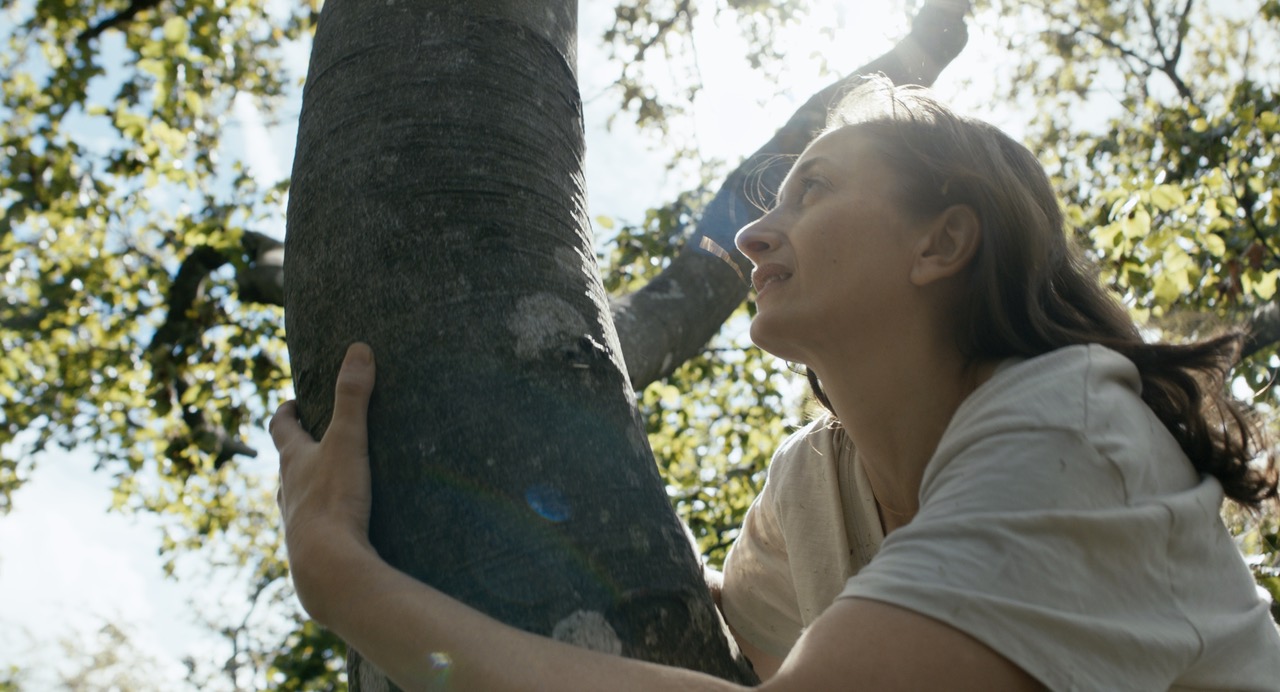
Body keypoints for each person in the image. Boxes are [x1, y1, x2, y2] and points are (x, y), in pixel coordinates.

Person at [271, 81, 1280, 690]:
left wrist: (345, 582)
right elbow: (723, 625)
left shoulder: (1075, 426)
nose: (754, 233)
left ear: (940, 243)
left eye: (813, 190)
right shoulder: (812, 480)